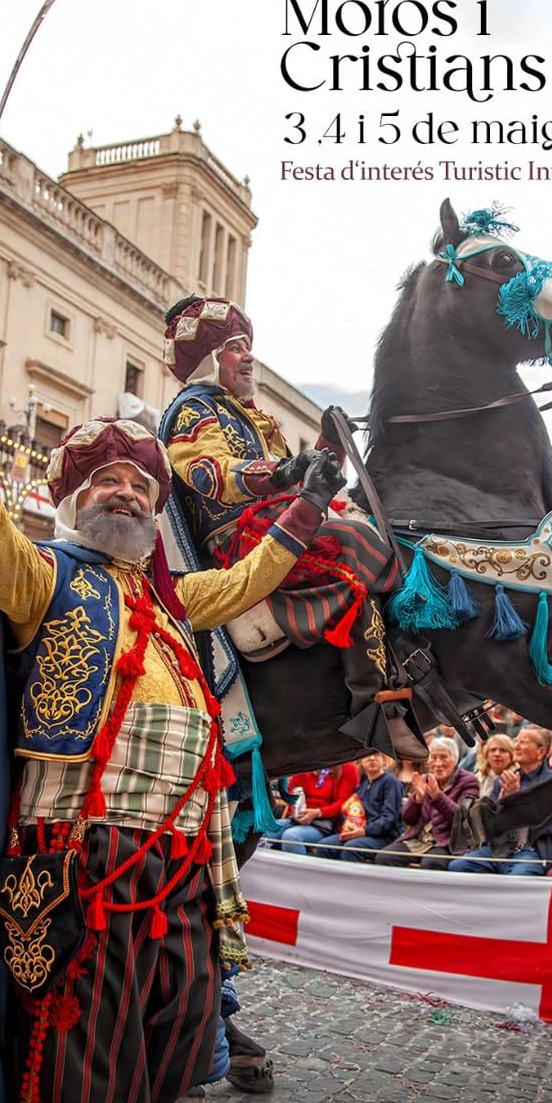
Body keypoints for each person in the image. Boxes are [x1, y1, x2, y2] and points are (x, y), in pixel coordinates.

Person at [0, 354, 342, 1103]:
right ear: (73, 499)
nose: (124, 489)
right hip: (82, 856)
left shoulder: (178, 601)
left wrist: (313, 499)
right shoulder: (42, 578)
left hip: (182, 859)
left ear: (155, 512)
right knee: (86, 1032)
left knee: (169, 1022)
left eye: (139, 482)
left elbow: (259, 574)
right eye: (105, 477)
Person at [161, 295, 430, 761]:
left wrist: (329, 441)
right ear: (208, 360)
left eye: (247, 346)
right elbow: (211, 473)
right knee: (349, 545)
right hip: (237, 539)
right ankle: (378, 708)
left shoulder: (251, 414)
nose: (248, 356)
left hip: (276, 521)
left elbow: (302, 472)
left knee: (383, 532)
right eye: (235, 347)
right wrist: (286, 473)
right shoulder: (192, 409)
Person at [449, 724, 552, 875]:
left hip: (529, 849)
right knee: (458, 866)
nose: (516, 746)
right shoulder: (504, 779)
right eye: (516, 741)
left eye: (523, 742)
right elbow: (492, 824)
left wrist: (515, 801)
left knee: (520, 875)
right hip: (498, 847)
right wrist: (504, 798)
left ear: (541, 751)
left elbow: (550, 826)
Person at [375, 736, 479, 867]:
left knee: (431, 863)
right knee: (384, 857)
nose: (438, 763)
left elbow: (463, 819)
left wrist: (437, 797)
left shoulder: (468, 781)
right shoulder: (424, 778)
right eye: (434, 758)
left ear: (455, 759)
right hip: (419, 839)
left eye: (443, 757)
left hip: (447, 841)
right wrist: (417, 800)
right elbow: (407, 819)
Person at [323, 752, 403, 861]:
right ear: (361, 761)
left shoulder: (391, 782)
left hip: (384, 836)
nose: (372, 758)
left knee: (351, 848)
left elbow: (389, 818)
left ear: (384, 760)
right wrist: (350, 827)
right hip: (361, 832)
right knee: (325, 846)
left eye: (376, 755)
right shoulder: (363, 786)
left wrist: (364, 831)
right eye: (367, 755)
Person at [276, 762, 360, 855]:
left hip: (325, 824)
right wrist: (297, 808)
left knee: (291, 836)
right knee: (263, 831)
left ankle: (298, 869)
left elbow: (344, 803)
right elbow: (292, 789)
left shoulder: (348, 768)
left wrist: (318, 812)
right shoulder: (309, 761)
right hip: (298, 818)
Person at [475, 733, 516, 797]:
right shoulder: (478, 777)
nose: (497, 754)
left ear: (512, 755)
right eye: (493, 750)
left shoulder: (518, 777)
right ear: (486, 755)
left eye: (503, 750)